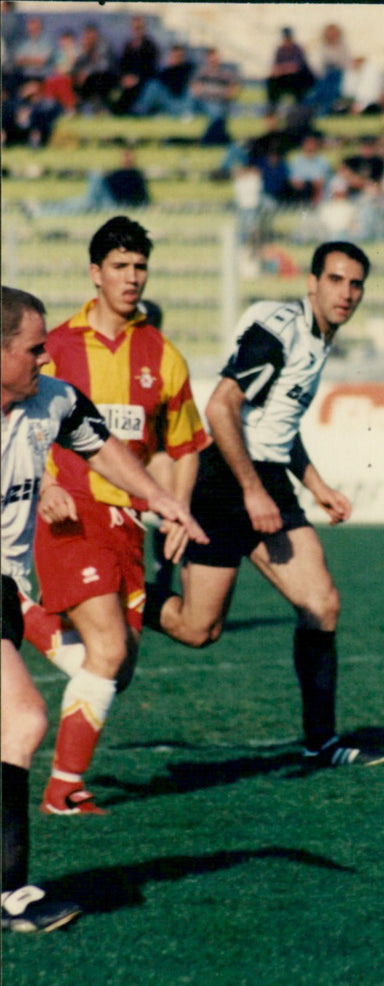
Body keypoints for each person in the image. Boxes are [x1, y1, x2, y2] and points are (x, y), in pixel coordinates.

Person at [1, 286, 205, 930]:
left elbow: (103, 447)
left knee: (21, 721)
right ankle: (12, 892)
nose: (44, 358)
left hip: (5, 587)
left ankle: (9, 892)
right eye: (34, 349)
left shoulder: (50, 400)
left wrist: (158, 500)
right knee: (24, 719)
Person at [143, 242, 384, 772]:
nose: (347, 293)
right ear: (312, 282)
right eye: (336, 280)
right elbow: (220, 406)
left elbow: (279, 424)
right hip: (227, 483)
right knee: (196, 630)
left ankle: (320, 743)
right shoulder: (279, 332)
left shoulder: (320, 338)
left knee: (321, 603)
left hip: (267, 479)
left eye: (356, 284)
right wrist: (252, 489)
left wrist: (315, 483)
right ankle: (115, 592)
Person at [21, 217, 210, 816]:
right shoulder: (53, 348)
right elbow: (18, 428)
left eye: (140, 267)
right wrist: (46, 483)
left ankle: (21, 610)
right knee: (105, 653)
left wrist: (175, 510)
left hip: (128, 526)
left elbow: (184, 445)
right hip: (71, 514)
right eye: (120, 267)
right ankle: (63, 789)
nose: (132, 278)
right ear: (95, 273)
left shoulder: (162, 355)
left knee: (111, 667)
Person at [27, 147, 150, 217]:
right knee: (78, 202)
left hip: (112, 204)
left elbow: (143, 199)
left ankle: (41, 211)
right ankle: (43, 209)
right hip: (103, 199)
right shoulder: (118, 172)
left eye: (128, 156)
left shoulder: (135, 174)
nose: (126, 159)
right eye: (124, 156)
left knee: (93, 179)